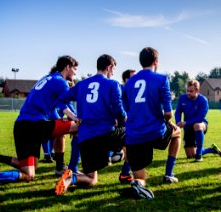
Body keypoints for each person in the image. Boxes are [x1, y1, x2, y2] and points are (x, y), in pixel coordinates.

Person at [0, 56, 79, 192]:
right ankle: (70, 169)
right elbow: (65, 103)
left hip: (21, 126)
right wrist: (76, 118)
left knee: (30, 173)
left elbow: (52, 109)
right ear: (68, 67)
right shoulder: (60, 82)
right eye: (75, 69)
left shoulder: (46, 79)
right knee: (79, 126)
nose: (75, 73)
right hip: (34, 125)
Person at [53, 54, 127, 195]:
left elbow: (60, 101)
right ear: (109, 67)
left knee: (91, 179)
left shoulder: (81, 84)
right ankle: (128, 173)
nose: (113, 73)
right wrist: (125, 119)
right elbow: (119, 110)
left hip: (86, 137)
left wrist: (73, 117)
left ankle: (71, 178)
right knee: (133, 136)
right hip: (106, 133)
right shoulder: (113, 84)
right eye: (113, 69)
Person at [122, 47, 181, 199]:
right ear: (156, 61)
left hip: (134, 135)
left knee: (141, 177)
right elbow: (168, 113)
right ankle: (169, 174)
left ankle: (138, 185)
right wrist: (167, 121)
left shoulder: (128, 83)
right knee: (178, 133)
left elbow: (127, 111)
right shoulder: (161, 79)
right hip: (155, 132)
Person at [175, 79, 221, 162]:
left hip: (201, 125)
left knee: (197, 125)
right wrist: (178, 121)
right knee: (190, 155)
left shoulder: (203, 100)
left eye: (191, 91)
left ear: (197, 90)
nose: (188, 93)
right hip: (187, 127)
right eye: (187, 90)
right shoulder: (183, 97)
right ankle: (212, 150)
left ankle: (199, 156)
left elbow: (200, 118)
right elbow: (178, 111)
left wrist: (185, 123)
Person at [117, 68, 136, 184]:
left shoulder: (133, 91)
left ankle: (125, 173)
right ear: (126, 79)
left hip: (131, 124)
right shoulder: (119, 89)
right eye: (133, 77)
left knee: (132, 150)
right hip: (121, 125)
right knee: (131, 149)